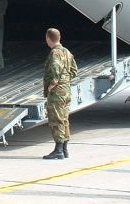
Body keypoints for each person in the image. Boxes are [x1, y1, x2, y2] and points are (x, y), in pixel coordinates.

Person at [42, 28, 78, 160]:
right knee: (64, 119)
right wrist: (65, 81)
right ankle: (64, 149)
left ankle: (58, 150)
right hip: (66, 90)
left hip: (57, 92)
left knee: (56, 119)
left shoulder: (55, 53)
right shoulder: (66, 52)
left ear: (48, 38)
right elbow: (74, 70)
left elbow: (56, 68)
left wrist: (54, 83)